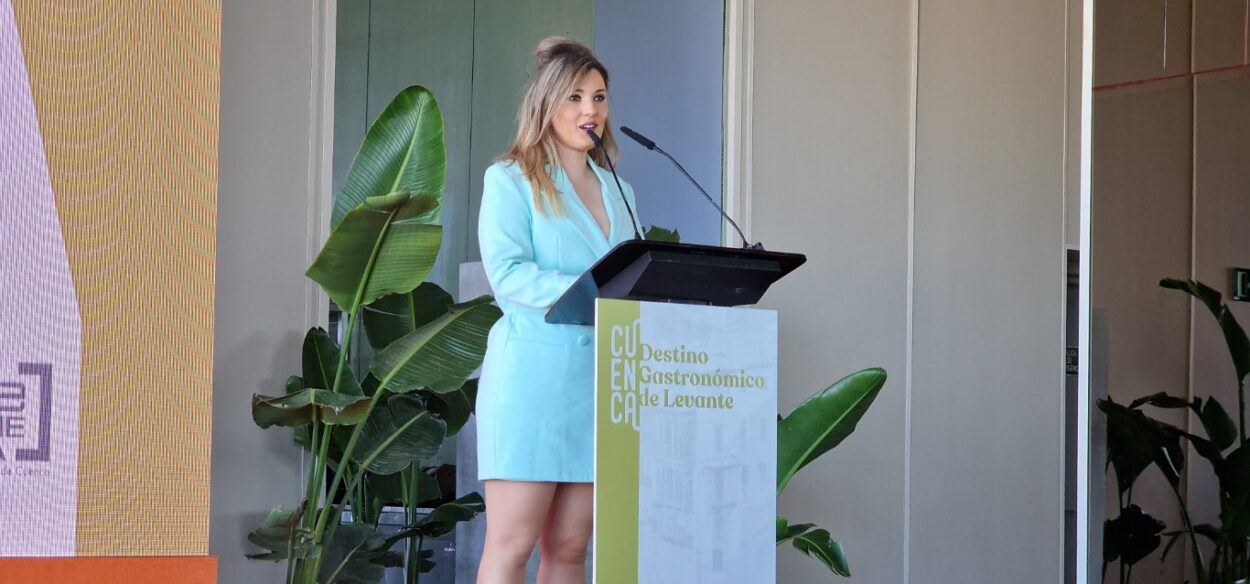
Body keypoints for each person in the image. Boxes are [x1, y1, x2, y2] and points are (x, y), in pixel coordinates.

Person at [474, 37, 641, 584]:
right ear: (546, 103)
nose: (590, 110)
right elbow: (508, 274)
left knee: (570, 549)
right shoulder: (511, 178)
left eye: (599, 97)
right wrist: (596, 287)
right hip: (533, 383)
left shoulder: (620, 191)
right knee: (512, 545)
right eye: (574, 97)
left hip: (598, 388)